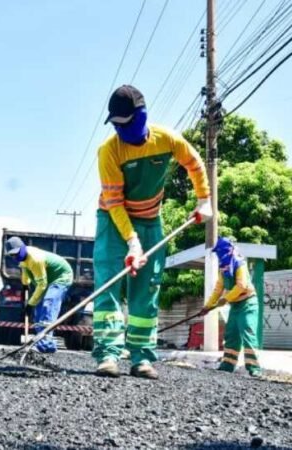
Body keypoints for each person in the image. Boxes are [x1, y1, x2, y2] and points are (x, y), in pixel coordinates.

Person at [92, 85, 212, 379]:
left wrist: (204, 199)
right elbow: (115, 203)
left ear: (141, 116)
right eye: (116, 125)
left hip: (150, 221)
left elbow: (194, 163)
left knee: (147, 288)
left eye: (126, 123)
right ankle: (108, 354)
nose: (121, 131)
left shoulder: (166, 139)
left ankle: (141, 357)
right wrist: (131, 243)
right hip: (113, 220)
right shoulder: (109, 151)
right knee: (108, 283)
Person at [200, 237, 262, 377]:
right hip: (235, 305)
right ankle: (228, 364)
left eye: (221, 253)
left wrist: (226, 299)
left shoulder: (240, 264)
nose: (220, 256)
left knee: (248, 332)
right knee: (231, 334)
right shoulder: (223, 268)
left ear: (228, 251)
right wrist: (207, 306)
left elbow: (242, 286)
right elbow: (218, 289)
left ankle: (254, 367)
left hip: (248, 303)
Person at [4, 237, 73, 353]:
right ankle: (42, 345)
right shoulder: (21, 258)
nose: (16, 256)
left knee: (48, 304)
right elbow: (25, 270)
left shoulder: (35, 259)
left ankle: (48, 344)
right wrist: (25, 284)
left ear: (23, 248)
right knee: (38, 312)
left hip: (61, 277)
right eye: (13, 255)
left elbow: (42, 284)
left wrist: (30, 304)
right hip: (47, 279)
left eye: (17, 253)